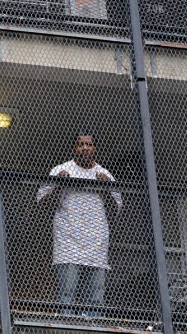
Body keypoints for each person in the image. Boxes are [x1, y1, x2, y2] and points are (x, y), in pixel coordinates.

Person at [37, 133, 123, 317]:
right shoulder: (60, 170)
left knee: (95, 299)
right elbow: (42, 206)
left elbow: (114, 211)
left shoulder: (105, 174)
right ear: (73, 149)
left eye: (89, 144)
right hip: (67, 241)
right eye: (80, 144)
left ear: (95, 149)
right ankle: (67, 332)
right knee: (67, 294)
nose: (85, 148)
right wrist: (60, 184)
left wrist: (106, 188)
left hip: (96, 242)